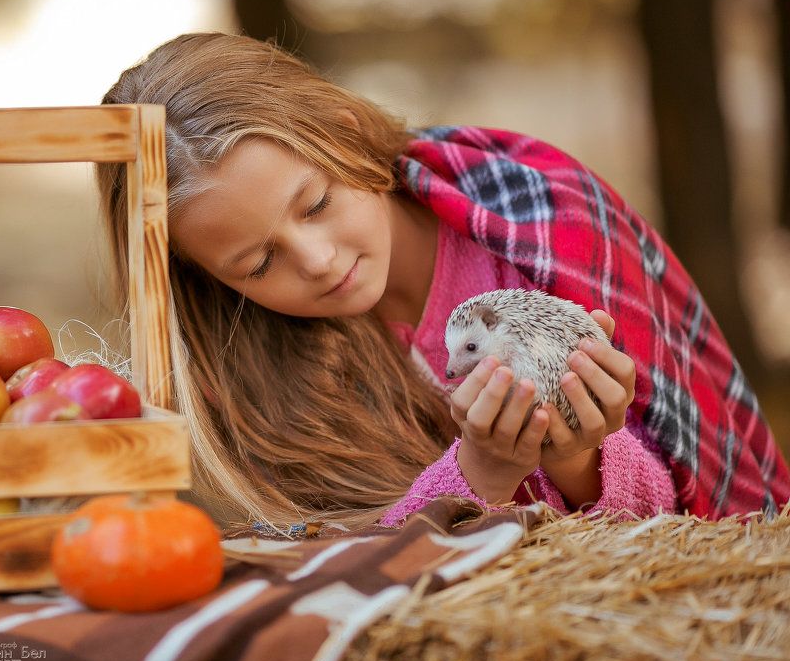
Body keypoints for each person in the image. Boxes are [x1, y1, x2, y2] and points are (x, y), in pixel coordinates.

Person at [95, 31, 790, 530]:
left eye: (316, 205)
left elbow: (676, 520)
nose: (316, 259)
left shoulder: (541, 226)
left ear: (343, 135)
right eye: (257, 264)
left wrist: (580, 454)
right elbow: (345, 567)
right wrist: (482, 474)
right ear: (206, 279)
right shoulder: (255, 377)